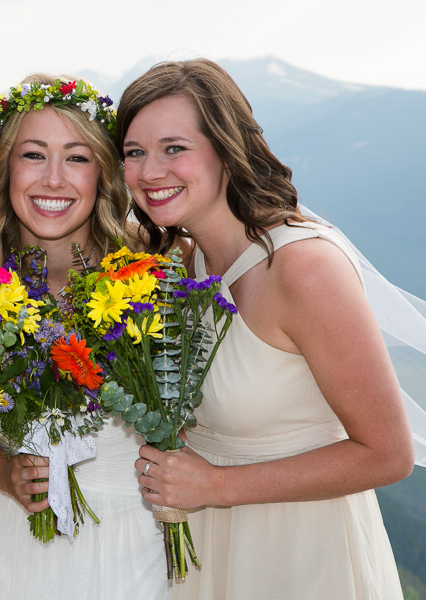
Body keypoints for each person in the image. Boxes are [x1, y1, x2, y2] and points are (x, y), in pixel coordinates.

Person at [117, 58, 414, 599]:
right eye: (134, 152)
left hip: (300, 556)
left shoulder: (303, 268)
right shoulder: (180, 264)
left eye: (174, 148)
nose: (150, 172)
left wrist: (217, 485)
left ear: (227, 149)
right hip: (210, 554)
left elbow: (388, 454)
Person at [0, 75, 169, 599]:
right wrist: (3, 469)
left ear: (103, 173)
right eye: (34, 155)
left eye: (76, 157)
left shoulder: (157, 274)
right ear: (5, 168)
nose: (53, 179)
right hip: (19, 554)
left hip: (137, 548)